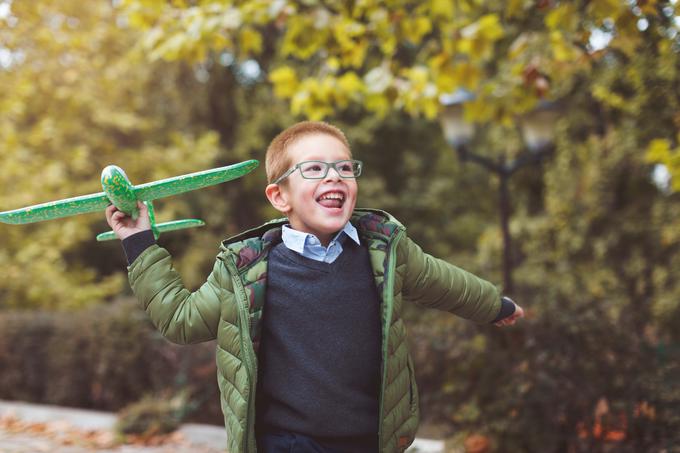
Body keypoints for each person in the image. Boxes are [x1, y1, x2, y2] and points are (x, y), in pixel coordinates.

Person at [105, 121, 524, 453]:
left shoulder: (385, 251)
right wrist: (139, 242)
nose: (334, 177)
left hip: (371, 440)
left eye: (344, 167)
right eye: (314, 169)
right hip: (288, 442)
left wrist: (497, 306)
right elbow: (181, 321)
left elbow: (444, 282)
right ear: (279, 197)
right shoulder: (246, 268)